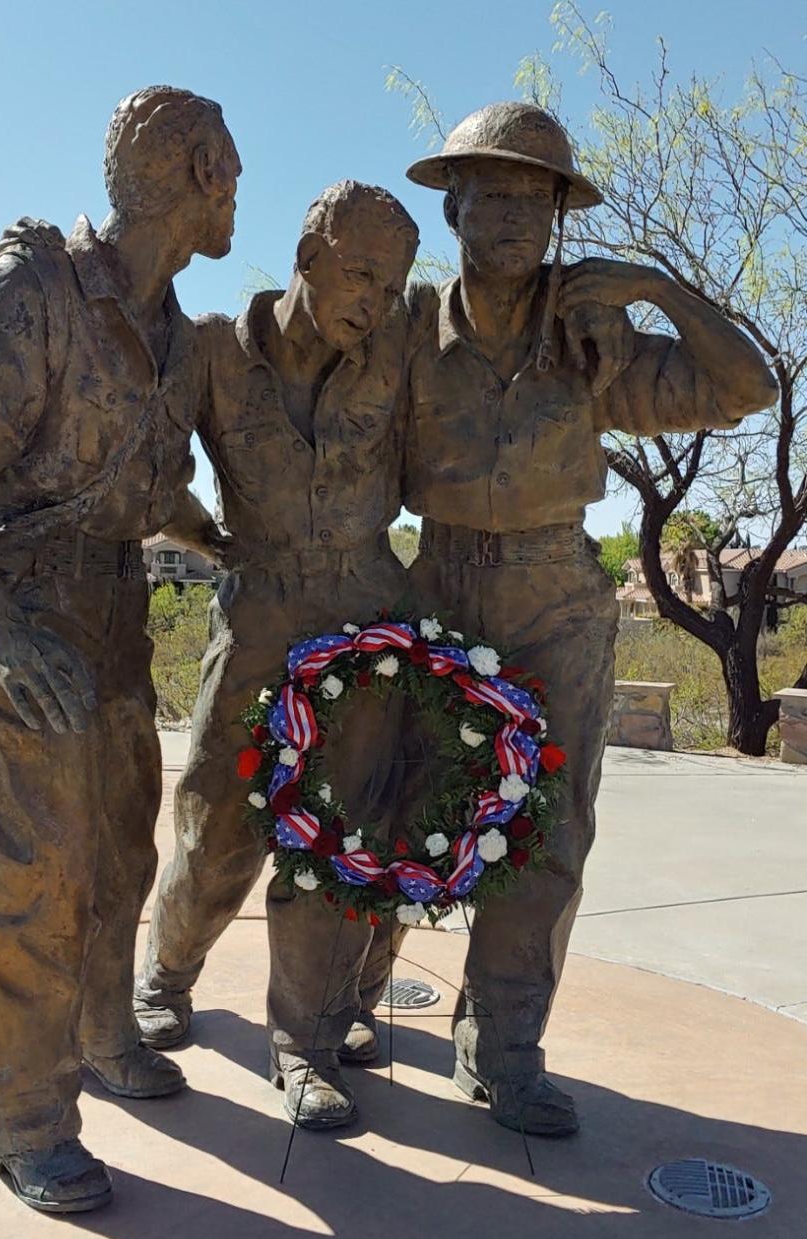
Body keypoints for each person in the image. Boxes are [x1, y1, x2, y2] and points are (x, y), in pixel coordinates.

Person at [402, 102, 778, 1137]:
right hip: (432, 582)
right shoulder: (404, 332)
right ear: (455, 209)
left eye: (537, 197)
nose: (516, 216)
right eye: (496, 193)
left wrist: (656, 286)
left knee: (546, 828)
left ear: (559, 217)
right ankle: (345, 1004)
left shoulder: (591, 335)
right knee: (396, 799)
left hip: (556, 598)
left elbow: (741, 386)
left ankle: (505, 1045)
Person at [0, 86, 240, 1212]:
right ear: (195, 173)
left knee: (121, 860)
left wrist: (218, 537)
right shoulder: (38, 285)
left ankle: (102, 1037)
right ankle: (26, 1117)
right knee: (36, 884)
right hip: (25, 619)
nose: (238, 192)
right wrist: (1, 632)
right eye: (231, 171)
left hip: (117, 620)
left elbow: (157, 491)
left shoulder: (180, 339)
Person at [134, 180, 419, 1128]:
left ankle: (305, 1040)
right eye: (361, 274)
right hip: (257, 616)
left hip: (366, 623)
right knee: (218, 828)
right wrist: (216, 542)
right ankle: (166, 976)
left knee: (336, 838)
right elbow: (154, 463)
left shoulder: (395, 355)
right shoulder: (217, 348)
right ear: (306, 253)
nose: (372, 302)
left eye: (391, 286)